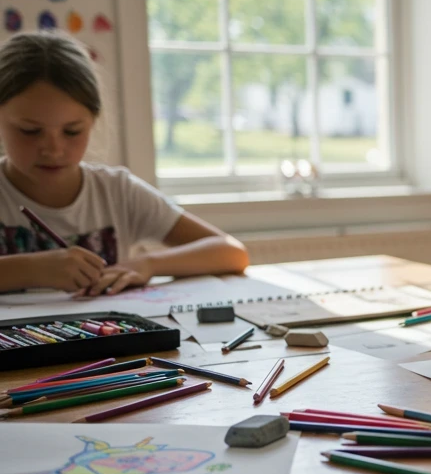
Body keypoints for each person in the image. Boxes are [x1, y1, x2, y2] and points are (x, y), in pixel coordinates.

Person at [0, 31, 249, 296]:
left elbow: (231, 253)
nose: (53, 149)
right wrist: (31, 269)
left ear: (93, 121)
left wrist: (148, 264)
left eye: (72, 131)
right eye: (29, 131)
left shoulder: (117, 192)